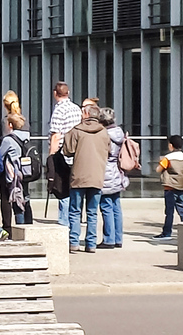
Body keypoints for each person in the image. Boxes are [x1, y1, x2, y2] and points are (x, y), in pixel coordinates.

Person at [63, 104, 110, 253]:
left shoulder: (77, 130)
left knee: (75, 211)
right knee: (92, 212)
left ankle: (74, 242)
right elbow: (108, 150)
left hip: (79, 176)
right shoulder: (104, 133)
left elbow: (68, 150)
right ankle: (91, 244)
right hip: (97, 176)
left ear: (85, 114)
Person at [48, 82, 82, 227]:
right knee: (74, 186)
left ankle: (64, 220)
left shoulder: (59, 110)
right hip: (77, 152)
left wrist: (51, 156)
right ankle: (75, 217)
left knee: (62, 188)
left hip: (62, 153)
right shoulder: (76, 108)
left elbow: (56, 135)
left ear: (55, 93)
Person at [97, 107, 126, 249]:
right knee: (116, 206)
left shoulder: (104, 135)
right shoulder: (119, 133)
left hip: (106, 171)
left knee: (106, 205)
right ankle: (118, 237)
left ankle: (109, 239)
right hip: (117, 171)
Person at [0, 113, 32, 228]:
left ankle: (18, 229)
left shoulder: (8, 139)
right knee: (24, 199)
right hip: (26, 172)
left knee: (15, 201)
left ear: (11, 125)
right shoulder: (27, 136)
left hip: (13, 175)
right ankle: (26, 227)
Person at [153, 135, 183, 239]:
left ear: (171, 145)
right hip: (180, 186)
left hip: (169, 187)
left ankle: (166, 232)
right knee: (182, 209)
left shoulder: (168, 158)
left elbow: (158, 169)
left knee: (169, 211)